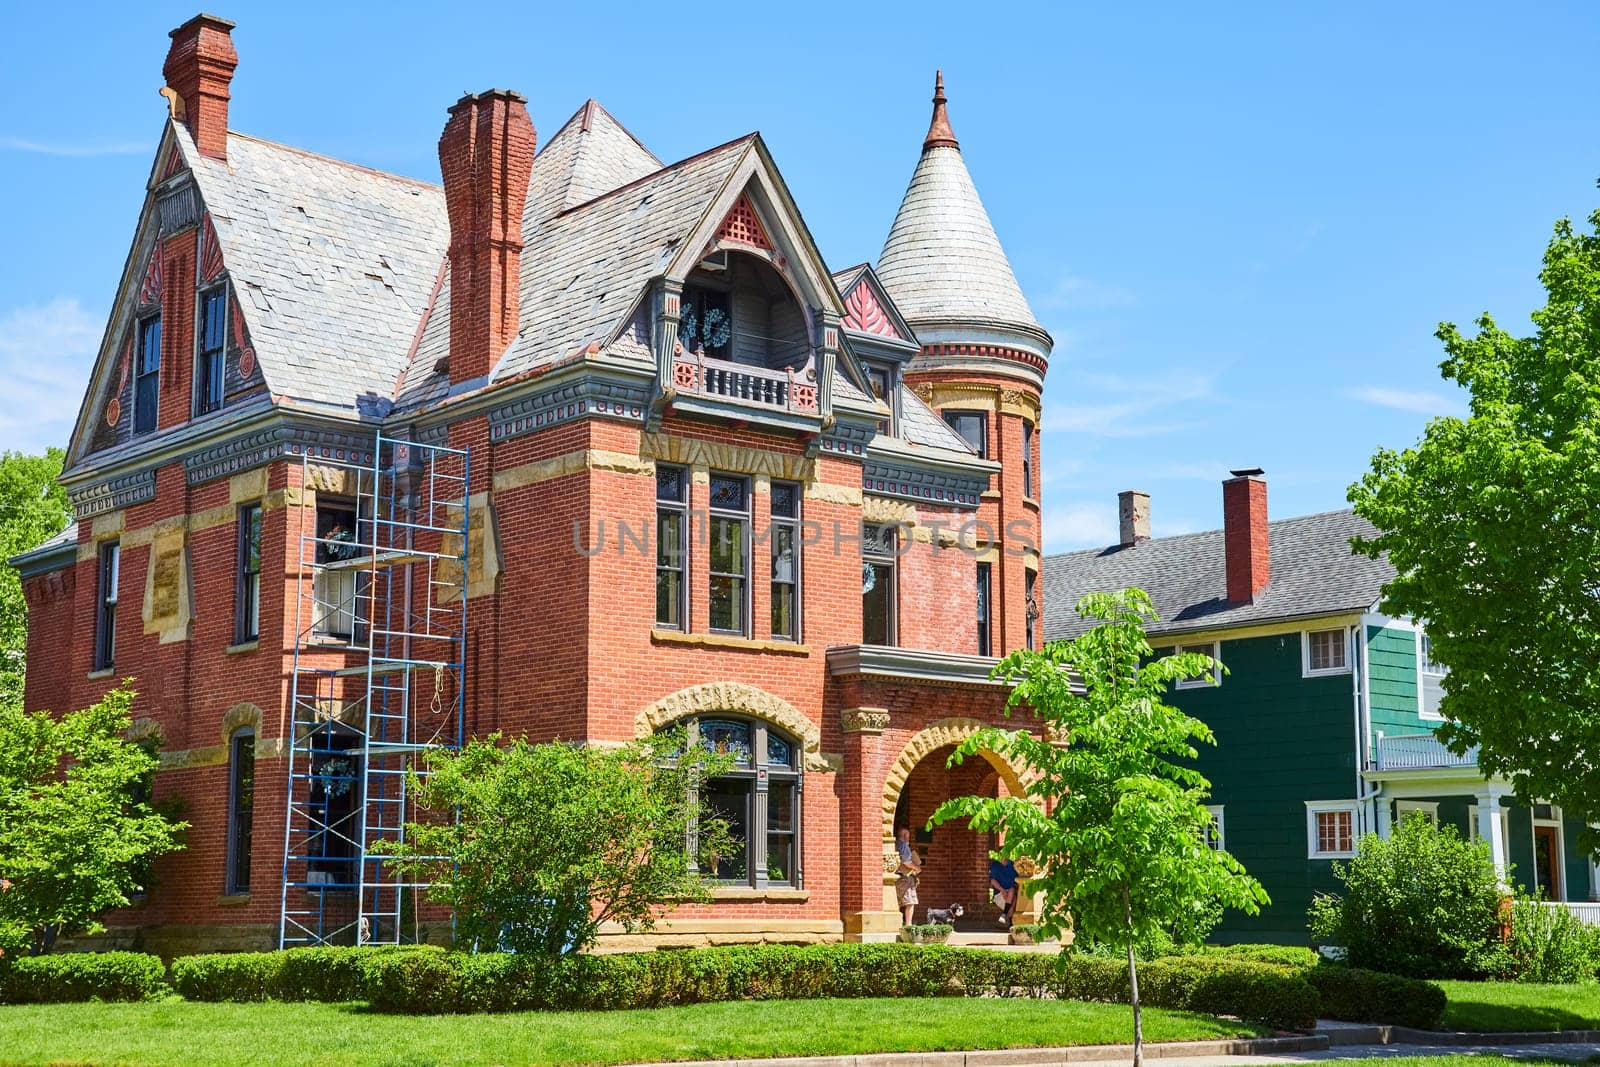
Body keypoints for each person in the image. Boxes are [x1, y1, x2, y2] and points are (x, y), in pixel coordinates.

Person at [894, 826, 922, 926]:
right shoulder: (903, 845)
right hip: (905, 877)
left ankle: (896, 924)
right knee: (910, 902)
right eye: (908, 835)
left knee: (897, 902)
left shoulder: (895, 844)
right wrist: (916, 868)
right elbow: (906, 862)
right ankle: (908, 925)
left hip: (896, 877)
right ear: (905, 835)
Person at [989, 856, 1018, 927]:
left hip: (1011, 892)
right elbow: (992, 881)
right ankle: (1011, 923)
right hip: (999, 894)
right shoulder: (995, 865)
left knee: (1012, 890)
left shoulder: (1013, 865)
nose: (1002, 860)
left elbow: (1018, 879)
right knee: (1012, 900)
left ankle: (1005, 915)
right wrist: (1002, 891)